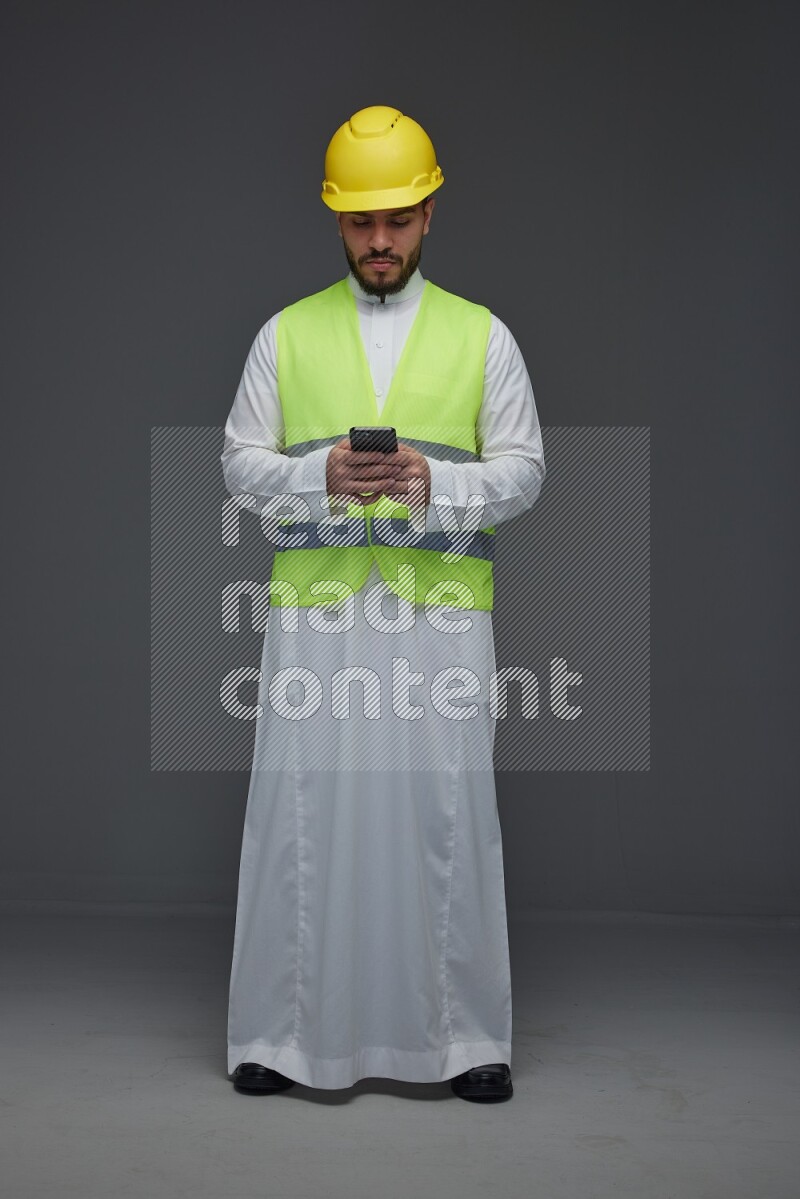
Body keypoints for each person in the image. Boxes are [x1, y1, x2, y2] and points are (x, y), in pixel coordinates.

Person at [222, 105, 546, 1103]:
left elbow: (525, 470)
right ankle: (279, 1033)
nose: (378, 241)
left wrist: (430, 485)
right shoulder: (284, 334)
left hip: (437, 613)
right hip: (316, 616)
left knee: (443, 813)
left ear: (429, 211)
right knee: (299, 813)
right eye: (361, 221)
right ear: (333, 217)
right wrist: (319, 475)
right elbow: (238, 464)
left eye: (396, 219)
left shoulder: (482, 337)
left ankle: (464, 1039)